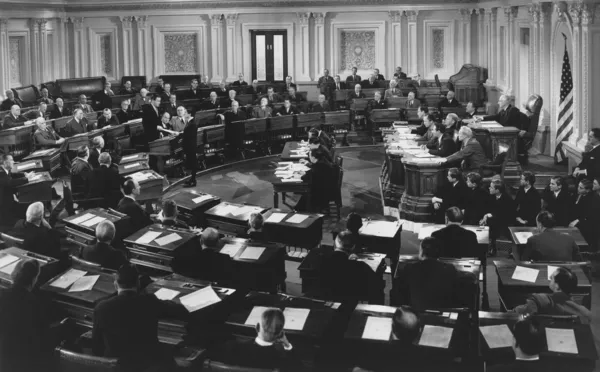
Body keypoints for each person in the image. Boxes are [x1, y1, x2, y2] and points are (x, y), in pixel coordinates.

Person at [92, 264, 187, 371]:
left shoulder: (101, 307)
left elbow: (96, 346)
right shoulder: (149, 301)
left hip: (116, 366)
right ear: (138, 283)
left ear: (115, 284)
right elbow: (177, 310)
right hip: (147, 364)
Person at [0, 259, 64, 372]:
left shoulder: (2, 295)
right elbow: (43, 334)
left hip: (4, 354)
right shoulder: (34, 303)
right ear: (34, 279)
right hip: (26, 359)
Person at [214, 308, 296, 370]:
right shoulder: (280, 360)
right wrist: (287, 345)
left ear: (256, 327)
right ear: (280, 334)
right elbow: (300, 368)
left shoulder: (231, 348)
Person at [320, 230, 385, 304]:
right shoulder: (360, 267)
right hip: (350, 304)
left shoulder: (321, 260)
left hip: (324, 301)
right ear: (353, 247)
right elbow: (377, 284)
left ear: (334, 245)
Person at [397, 237, 457, 311]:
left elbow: (402, 292)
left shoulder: (410, 268)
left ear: (422, 251)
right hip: (442, 311)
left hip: (416, 311)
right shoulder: (450, 268)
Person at [513, 267, 591, 322]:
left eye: (552, 277)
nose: (550, 277)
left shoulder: (537, 300)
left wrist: (516, 312)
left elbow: (523, 318)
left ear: (557, 286)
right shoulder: (582, 311)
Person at [481, 180, 516, 255]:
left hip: (505, 220)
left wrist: (489, 215)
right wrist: (485, 216)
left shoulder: (507, 199)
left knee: (492, 224)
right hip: (494, 219)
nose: (489, 188)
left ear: (497, 190)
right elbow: (486, 208)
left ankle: (493, 247)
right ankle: (487, 247)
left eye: (491, 187)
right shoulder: (491, 196)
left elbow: (504, 214)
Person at [294, 148, 335, 212]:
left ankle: (301, 211)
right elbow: (313, 173)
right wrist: (305, 173)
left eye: (310, 155)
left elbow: (309, 176)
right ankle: (298, 208)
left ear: (313, 157)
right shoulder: (322, 162)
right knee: (305, 194)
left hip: (322, 193)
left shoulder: (318, 166)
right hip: (327, 188)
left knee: (306, 192)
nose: (309, 157)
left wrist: (299, 176)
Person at [568, 179, 600, 250]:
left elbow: (591, 215)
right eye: (578, 186)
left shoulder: (594, 199)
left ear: (588, 190)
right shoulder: (578, 194)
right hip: (579, 220)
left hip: (590, 225)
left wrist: (578, 220)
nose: (578, 189)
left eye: (581, 188)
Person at [0, 154, 31, 224]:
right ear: (5, 162)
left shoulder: (5, 170)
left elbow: (12, 175)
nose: (13, 162)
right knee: (26, 209)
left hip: (9, 200)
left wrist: (24, 174)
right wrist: (26, 179)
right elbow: (10, 182)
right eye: (11, 160)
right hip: (4, 205)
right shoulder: (1, 172)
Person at [181, 107, 198, 188]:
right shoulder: (189, 122)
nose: (184, 114)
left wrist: (181, 134)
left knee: (193, 163)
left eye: (185, 112)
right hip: (189, 146)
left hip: (191, 147)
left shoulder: (193, 123)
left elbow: (190, 136)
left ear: (189, 114)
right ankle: (191, 179)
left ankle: (193, 180)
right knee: (191, 163)